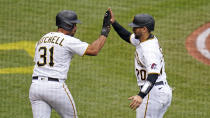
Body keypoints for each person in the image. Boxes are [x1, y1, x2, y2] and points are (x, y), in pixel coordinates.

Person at [29, 10, 111, 118]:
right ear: (68, 25)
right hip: (55, 89)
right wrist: (105, 31)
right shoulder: (67, 40)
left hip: (36, 87)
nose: (76, 28)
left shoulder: (43, 39)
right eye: (74, 25)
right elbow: (94, 50)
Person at [108, 8, 172, 118]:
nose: (133, 28)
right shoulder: (145, 39)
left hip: (153, 94)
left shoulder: (149, 49)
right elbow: (127, 36)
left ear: (144, 29)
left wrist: (141, 95)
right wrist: (113, 22)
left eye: (135, 27)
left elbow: (153, 74)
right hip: (161, 91)